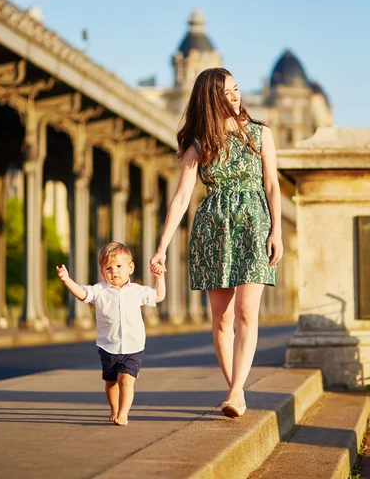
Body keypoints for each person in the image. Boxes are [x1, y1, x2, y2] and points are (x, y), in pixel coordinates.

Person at [150, 68, 283, 419]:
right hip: (213, 230)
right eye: (226, 92)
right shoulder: (198, 144)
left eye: (236, 89)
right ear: (211, 99)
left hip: (255, 225)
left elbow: (272, 186)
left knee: (245, 312)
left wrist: (277, 232)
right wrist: (161, 246)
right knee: (222, 318)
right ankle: (235, 390)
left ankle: (236, 390)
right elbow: (180, 199)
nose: (235, 96)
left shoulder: (260, 133)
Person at [56, 241, 165, 426]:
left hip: (133, 345)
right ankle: (114, 409)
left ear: (130, 268)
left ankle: (124, 413)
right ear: (102, 272)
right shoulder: (99, 290)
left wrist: (159, 278)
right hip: (108, 345)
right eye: (108, 268)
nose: (114, 271)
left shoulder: (137, 291)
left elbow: (158, 296)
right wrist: (67, 280)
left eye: (119, 266)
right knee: (111, 381)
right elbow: (82, 294)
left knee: (126, 380)